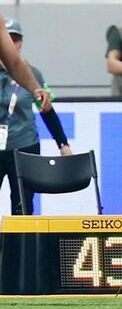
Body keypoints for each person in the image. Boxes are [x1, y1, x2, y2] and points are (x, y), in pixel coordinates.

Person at [0, 17, 70, 215]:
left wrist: (63, 144)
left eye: (15, 40)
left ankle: (22, 245)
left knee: (23, 204)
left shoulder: (31, 74)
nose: (10, 44)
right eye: (7, 39)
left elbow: (46, 108)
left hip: (23, 144)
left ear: (20, 43)